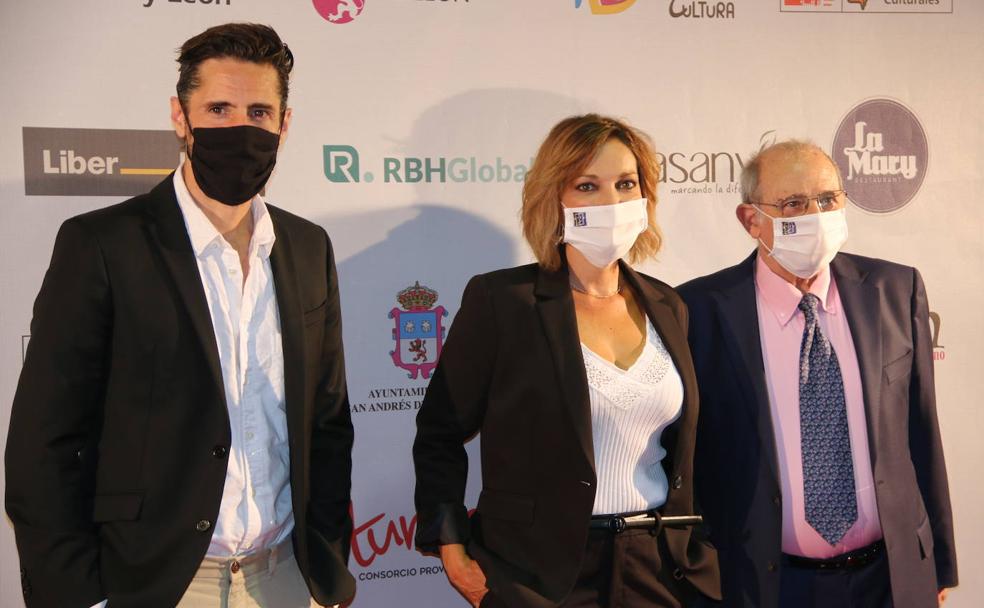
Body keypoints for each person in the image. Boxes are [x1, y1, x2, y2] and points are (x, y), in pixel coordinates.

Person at [5, 23, 355, 608]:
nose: (240, 128)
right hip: (154, 583)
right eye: (218, 108)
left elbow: (327, 420)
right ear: (180, 117)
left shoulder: (307, 247)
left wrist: (325, 570)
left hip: (286, 575)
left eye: (259, 112)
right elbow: (45, 440)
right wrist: (77, 594)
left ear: (284, 125)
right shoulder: (102, 245)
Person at [413, 114, 721, 608]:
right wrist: (452, 547)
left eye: (625, 183)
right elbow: (439, 432)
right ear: (553, 197)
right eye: (587, 185)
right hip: (537, 576)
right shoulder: (503, 301)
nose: (612, 202)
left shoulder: (669, 305)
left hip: (658, 568)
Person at [677, 140, 957, 608]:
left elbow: (921, 435)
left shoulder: (895, 289)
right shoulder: (698, 311)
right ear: (751, 221)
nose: (814, 215)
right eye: (792, 204)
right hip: (764, 584)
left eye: (828, 200)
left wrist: (939, 563)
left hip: (890, 577)